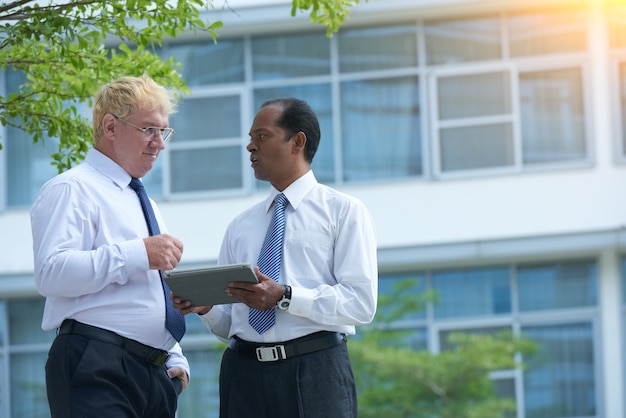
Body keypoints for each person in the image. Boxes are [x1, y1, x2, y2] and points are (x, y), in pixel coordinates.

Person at [174, 98, 378, 418]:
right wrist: (206, 308)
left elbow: (360, 303)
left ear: (297, 141)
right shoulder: (240, 226)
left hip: (315, 371)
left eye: (261, 136)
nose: (250, 147)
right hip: (243, 375)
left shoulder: (344, 212)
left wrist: (284, 296)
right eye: (251, 138)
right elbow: (231, 325)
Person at [30, 74, 189, 418]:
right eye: (148, 129)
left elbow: (150, 291)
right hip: (98, 364)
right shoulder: (70, 188)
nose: (159, 143)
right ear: (111, 127)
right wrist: (139, 253)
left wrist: (173, 356)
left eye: (164, 131)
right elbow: (51, 272)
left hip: (153, 375)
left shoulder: (144, 201)